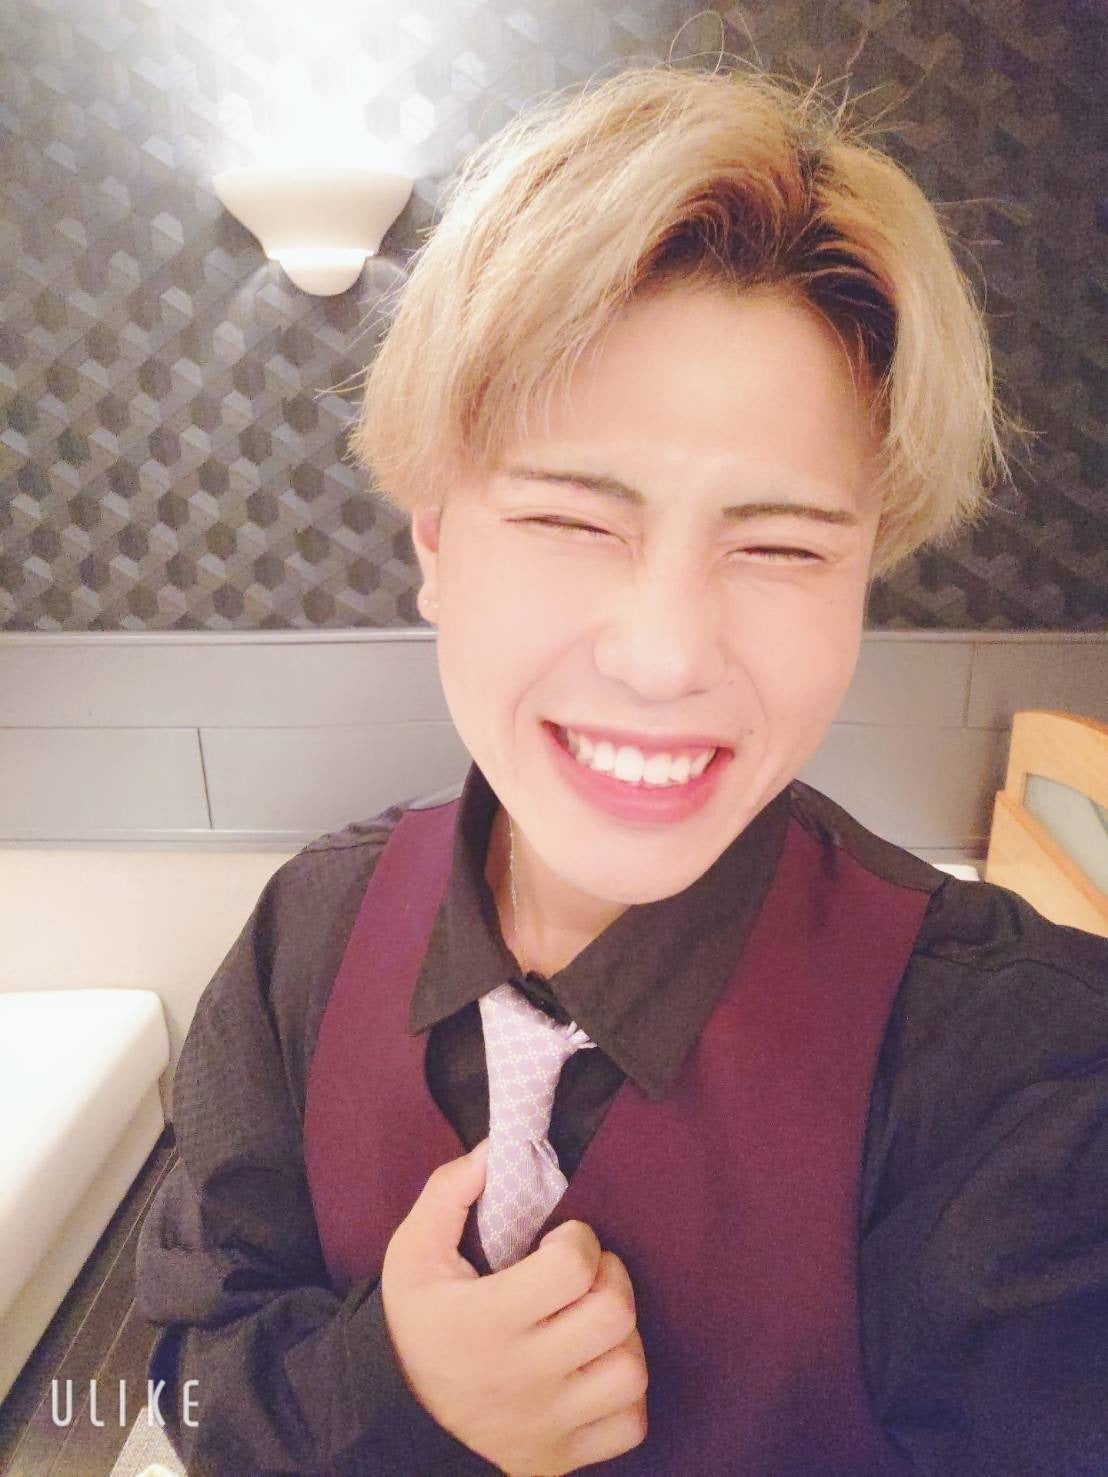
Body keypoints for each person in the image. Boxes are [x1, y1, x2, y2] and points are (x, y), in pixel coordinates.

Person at [134, 59, 1108, 1477]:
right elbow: (197, 1374)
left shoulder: (1023, 1070)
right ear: (435, 540)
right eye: (575, 520)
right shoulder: (304, 941)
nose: (664, 655)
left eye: (780, 545)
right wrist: (395, 1385)